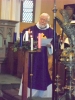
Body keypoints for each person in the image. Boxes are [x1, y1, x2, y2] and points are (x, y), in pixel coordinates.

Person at [18, 13, 54, 98]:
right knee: (31, 72)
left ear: (47, 21)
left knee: (43, 73)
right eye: (41, 19)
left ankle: (43, 94)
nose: (42, 21)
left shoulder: (51, 31)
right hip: (32, 57)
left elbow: (55, 44)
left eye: (45, 20)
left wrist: (50, 45)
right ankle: (28, 93)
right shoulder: (31, 29)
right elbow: (25, 40)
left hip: (44, 58)